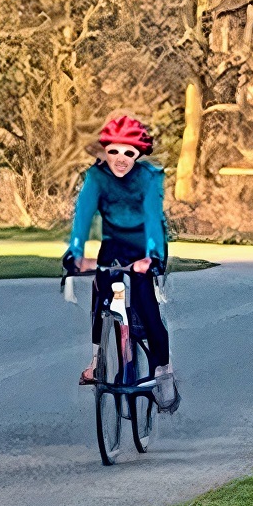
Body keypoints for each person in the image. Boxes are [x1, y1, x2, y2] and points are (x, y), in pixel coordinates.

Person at [65, 113, 175, 407]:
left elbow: (153, 217)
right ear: (105, 151)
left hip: (144, 247)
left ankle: (163, 373)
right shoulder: (97, 177)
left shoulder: (148, 178)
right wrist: (74, 252)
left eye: (129, 153)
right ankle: (97, 359)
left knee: (147, 306)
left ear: (139, 154)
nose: (121, 159)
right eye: (114, 151)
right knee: (100, 293)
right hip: (113, 247)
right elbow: (83, 216)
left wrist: (152, 257)